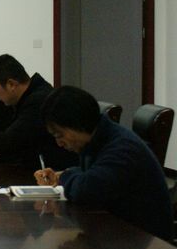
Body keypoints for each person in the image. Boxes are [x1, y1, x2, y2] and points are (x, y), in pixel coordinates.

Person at [34, 86, 174, 241]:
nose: (59, 143)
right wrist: (66, 174)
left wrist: (64, 177)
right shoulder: (99, 139)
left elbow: (86, 190)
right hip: (120, 232)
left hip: (146, 242)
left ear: (77, 123)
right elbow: (93, 175)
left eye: (59, 135)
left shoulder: (122, 148)